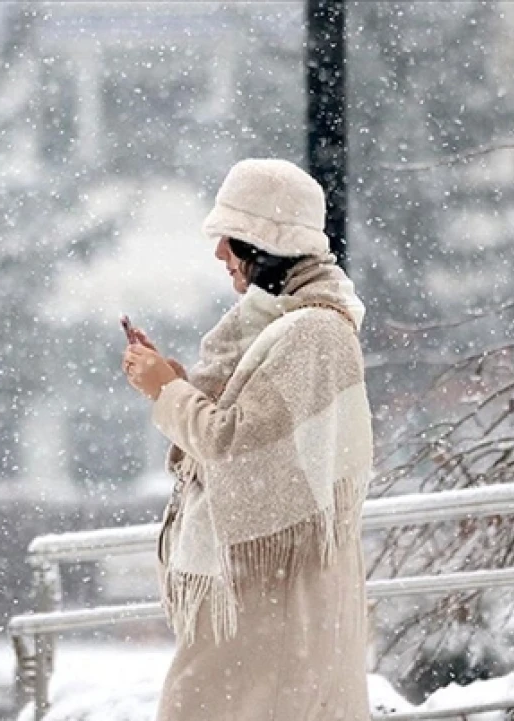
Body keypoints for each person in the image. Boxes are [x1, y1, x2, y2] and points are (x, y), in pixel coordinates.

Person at [122, 158, 373, 721]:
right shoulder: (276, 325)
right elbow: (252, 435)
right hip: (260, 594)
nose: (219, 255)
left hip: (276, 600)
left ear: (263, 246)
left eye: (229, 240)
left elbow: (237, 446)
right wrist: (172, 385)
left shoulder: (313, 333)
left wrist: (169, 392)